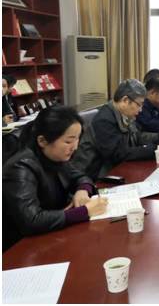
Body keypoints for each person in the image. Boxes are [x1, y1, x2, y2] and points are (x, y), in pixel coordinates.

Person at [2, 106, 108, 252]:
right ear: (42, 141)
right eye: (68, 141)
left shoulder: (55, 156)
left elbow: (81, 177)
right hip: (21, 249)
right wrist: (84, 212)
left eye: (77, 138)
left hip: (52, 235)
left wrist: (82, 191)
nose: (75, 147)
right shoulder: (21, 168)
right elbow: (32, 220)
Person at [73, 79, 159, 182]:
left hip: (115, 171)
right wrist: (154, 150)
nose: (141, 109)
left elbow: (136, 136)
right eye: (139, 104)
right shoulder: (104, 120)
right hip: (93, 178)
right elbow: (117, 154)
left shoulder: (124, 115)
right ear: (124, 100)